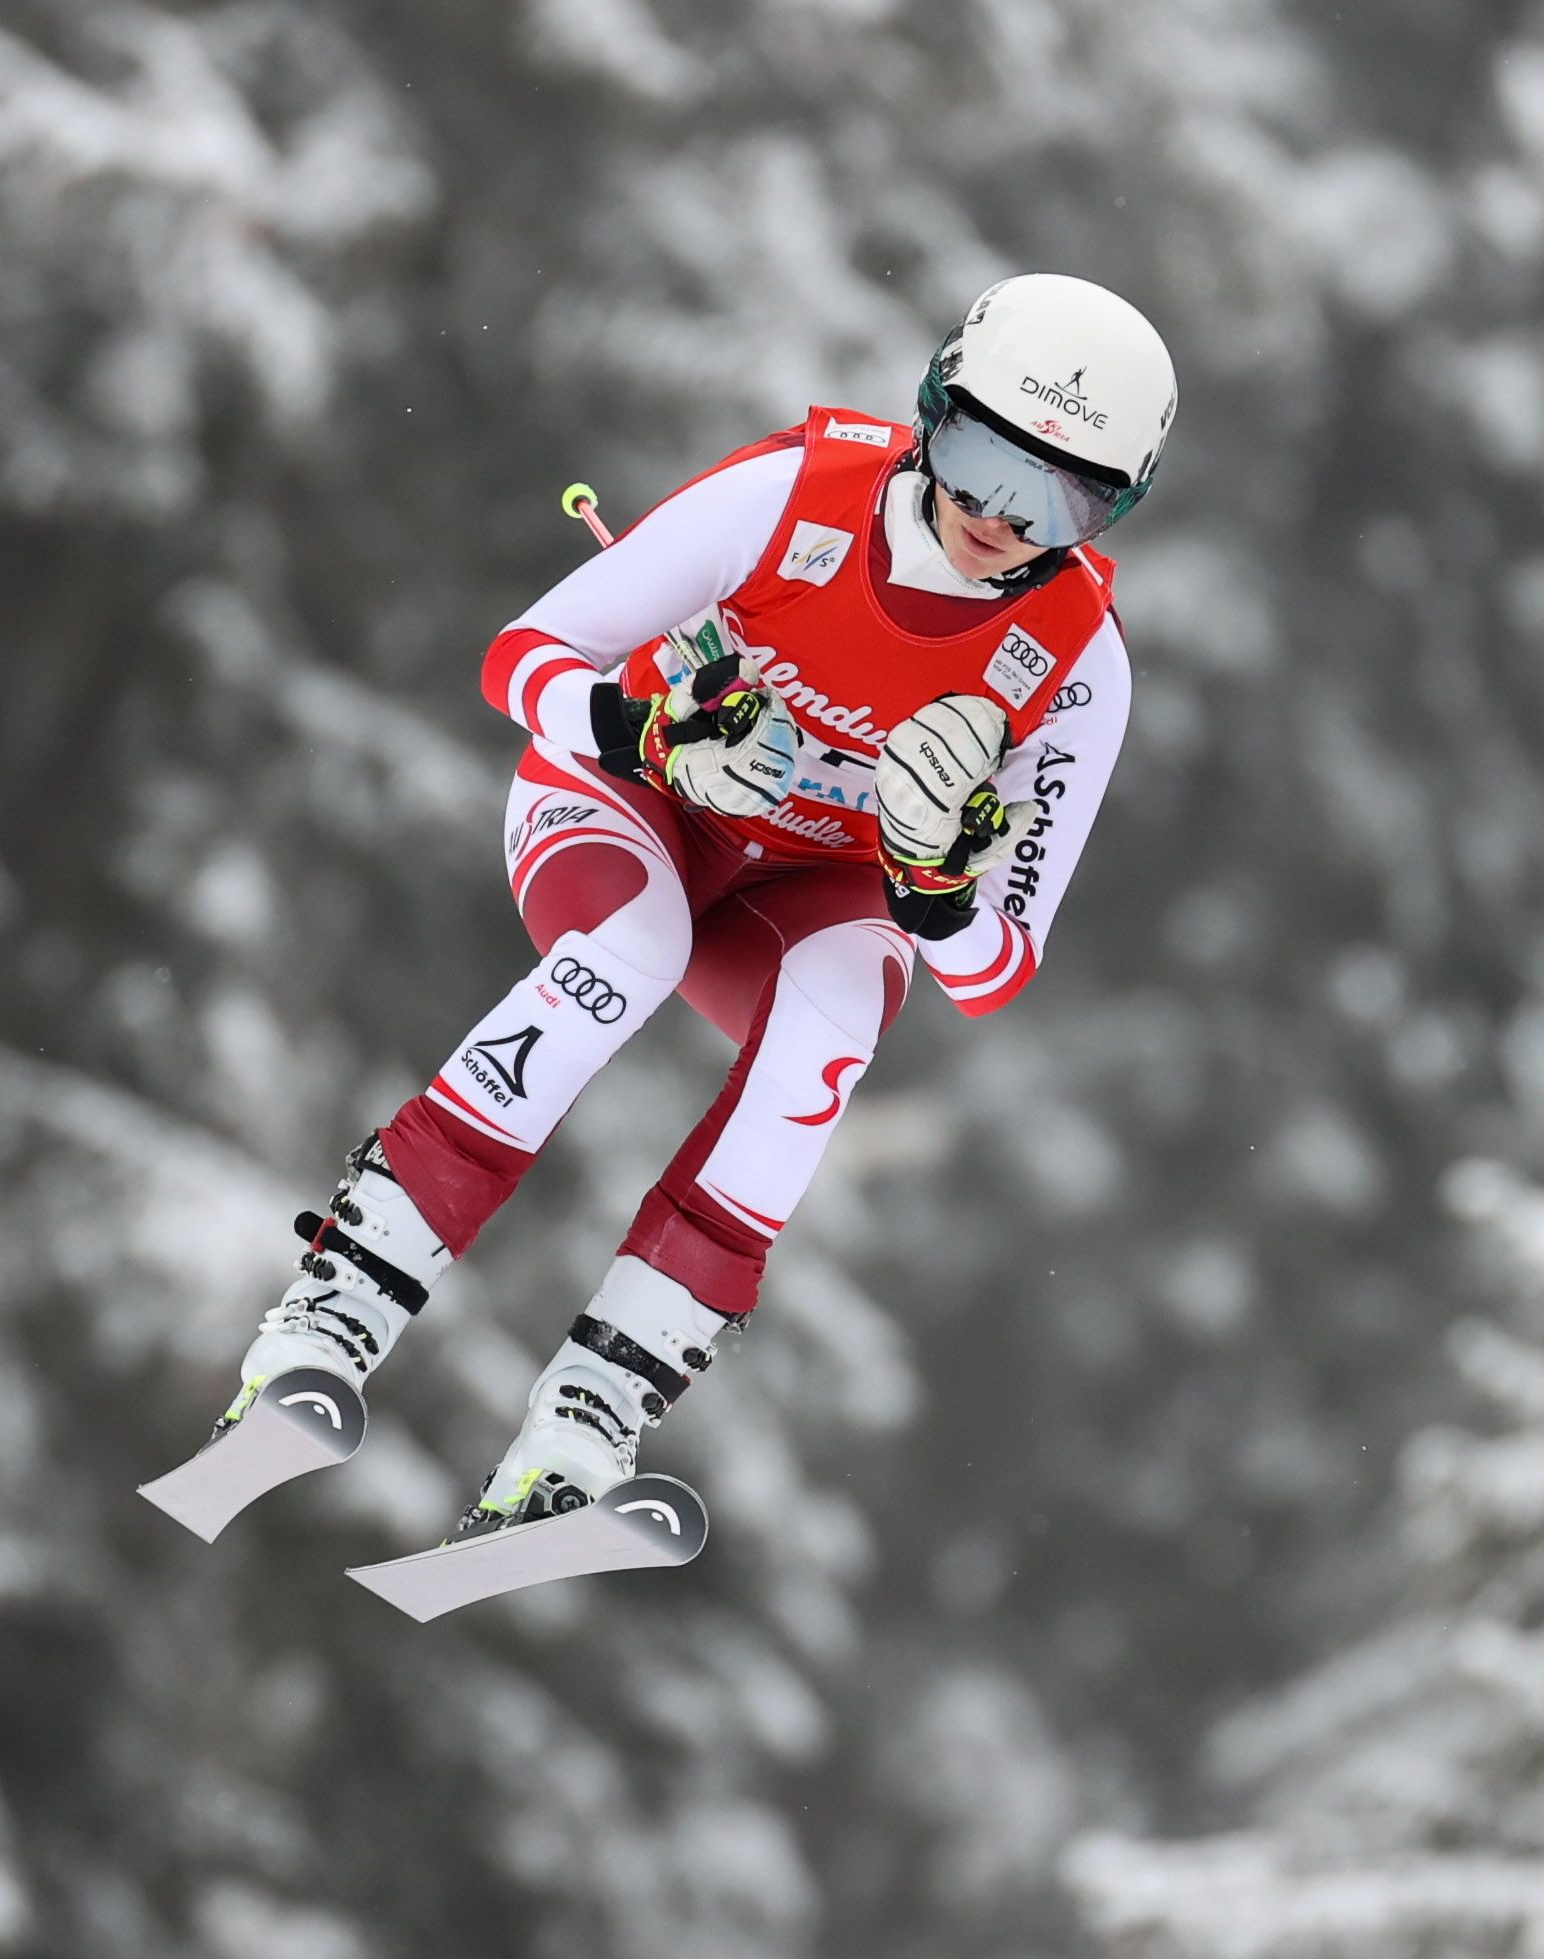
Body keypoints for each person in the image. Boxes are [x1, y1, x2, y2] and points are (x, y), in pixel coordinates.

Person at [206, 273, 1172, 1540]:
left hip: (809, 886)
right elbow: (525, 656)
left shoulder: (1079, 662)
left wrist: (938, 888)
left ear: (1113, 509)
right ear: (935, 410)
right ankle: (338, 1307)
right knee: (634, 949)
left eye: (1060, 492)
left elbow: (997, 968)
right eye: (982, 453)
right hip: (632, 811)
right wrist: (647, 729)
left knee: (833, 1028)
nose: (998, 511)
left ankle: (594, 1412)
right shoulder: (797, 492)